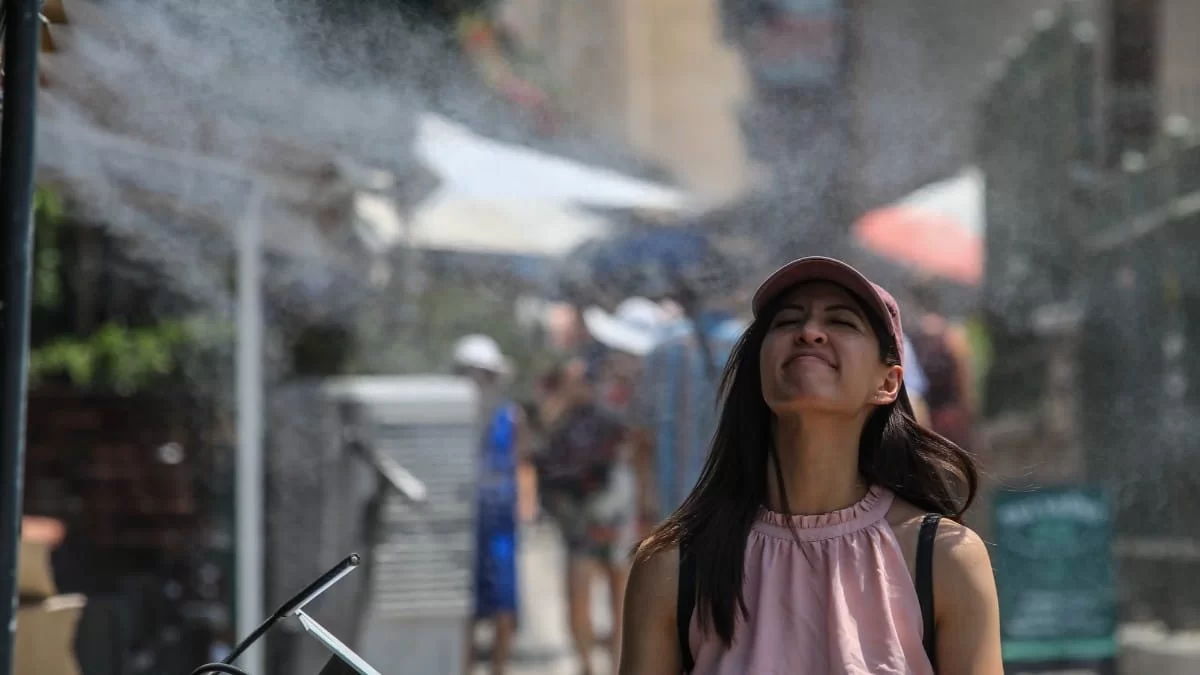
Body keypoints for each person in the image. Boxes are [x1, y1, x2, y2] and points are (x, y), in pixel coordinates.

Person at [619, 257, 1002, 674]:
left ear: (888, 382)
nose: (809, 333)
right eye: (787, 321)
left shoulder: (945, 560)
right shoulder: (672, 566)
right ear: (760, 365)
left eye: (841, 322)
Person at [536, 357, 636, 675]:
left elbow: (619, 457)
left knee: (620, 598)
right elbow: (545, 469)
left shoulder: (608, 419)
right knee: (578, 598)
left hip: (610, 518)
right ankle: (586, 665)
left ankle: (619, 663)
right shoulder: (557, 422)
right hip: (578, 522)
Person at [454, 334, 523, 675]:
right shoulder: (451, 418)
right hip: (462, 519)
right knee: (462, 602)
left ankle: (500, 668)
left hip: (499, 522)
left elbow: (520, 462)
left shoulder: (510, 417)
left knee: (503, 600)